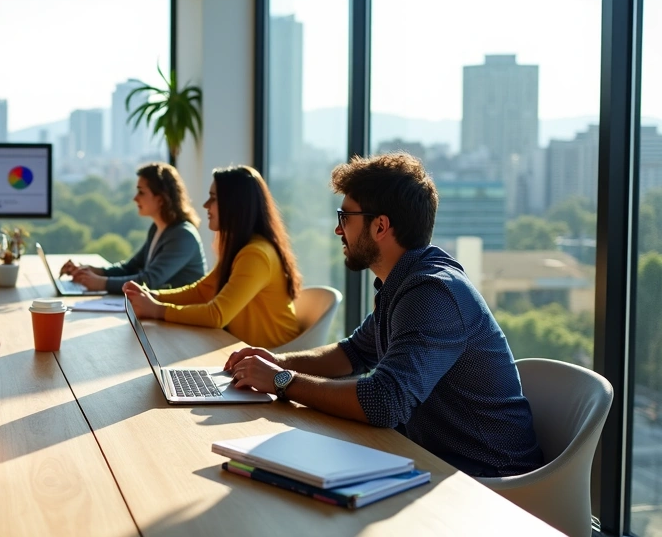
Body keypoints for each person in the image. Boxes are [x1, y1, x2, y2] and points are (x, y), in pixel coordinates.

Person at [226, 153, 544, 478]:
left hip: (488, 479)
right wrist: (277, 364)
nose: (338, 229)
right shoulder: (405, 282)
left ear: (380, 225)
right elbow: (352, 353)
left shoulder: (433, 293)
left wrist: (282, 381)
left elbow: (384, 401)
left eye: (345, 217)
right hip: (434, 460)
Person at [124, 165, 301, 349]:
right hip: (244, 352)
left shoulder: (256, 254)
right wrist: (154, 297)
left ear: (234, 204)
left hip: (274, 359)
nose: (205, 205)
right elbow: (203, 291)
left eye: (213, 198)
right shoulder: (241, 248)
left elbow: (216, 315)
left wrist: (157, 309)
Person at [60, 162, 206, 294]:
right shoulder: (157, 229)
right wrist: (91, 271)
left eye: (141, 192)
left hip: (182, 319)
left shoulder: (183, 236)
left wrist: (100, 283)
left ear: (161, 199)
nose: (135, 198)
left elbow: (150, 281)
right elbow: (130, 268)